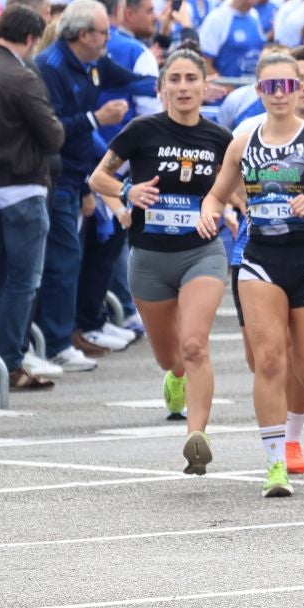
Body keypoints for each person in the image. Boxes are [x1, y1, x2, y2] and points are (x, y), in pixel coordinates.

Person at [202, 51, 304, 497]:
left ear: (298, 90)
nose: (279, 94)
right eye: (270, 87)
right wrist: (210, 213)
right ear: (259, 90)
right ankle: (275, 464)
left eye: (287, 86)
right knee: (270, 359)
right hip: (260, 259)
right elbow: (215, 194)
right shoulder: (243, 140)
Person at [90, 48, 233, 470]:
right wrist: (126, 193)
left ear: (206, 87)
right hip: (149, 257)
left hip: (201, 253)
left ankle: (197, 436)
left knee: (194, 344)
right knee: (171, 357)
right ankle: (174, 378)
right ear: (162, 87)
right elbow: (99, 176)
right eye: (175, 79)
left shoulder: (220, 138)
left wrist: (225, 209)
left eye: (192, 79)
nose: (184, 87)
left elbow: (235, 190)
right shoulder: (141, 130)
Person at [33, 0, 139, 373]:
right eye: (104, 31)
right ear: (83, 34)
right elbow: (55, 128)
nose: (109, 38)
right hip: (57, 176)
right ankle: (56, 340)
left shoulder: (89, 64)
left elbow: (126, 81)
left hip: (76, 176)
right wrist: (96, 119)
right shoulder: (53, 67)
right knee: (61, 260)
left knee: (71, 257)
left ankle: (70, 331)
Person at [0, 4, 64, 390]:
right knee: (23, 281)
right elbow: (53, 135)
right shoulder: (22, 77)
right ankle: (9, 361)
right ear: (30, 38)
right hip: (22, 186)